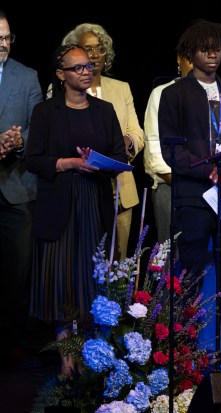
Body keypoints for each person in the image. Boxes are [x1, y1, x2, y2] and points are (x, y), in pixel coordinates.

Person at [158, 20, 221, 357]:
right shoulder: (173, 93)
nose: (212, 54)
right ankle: (187, 356)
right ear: (190, 52)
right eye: (205, 48)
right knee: (191, 277)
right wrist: (210, 169)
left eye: (217, 47)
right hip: (194, 197)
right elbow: (171, 151)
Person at [26, 44, 127, 373]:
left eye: (89, 66)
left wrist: (99, 163)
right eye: (79, 68)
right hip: (59, 203)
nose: (86, 72)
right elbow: (33, 159)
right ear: (61, 74)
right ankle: (65, 358)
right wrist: (67, 162)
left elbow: (119, 158)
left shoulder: (104, 110)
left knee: (88, 279)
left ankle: (87, 356)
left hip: (93, 202)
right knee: (60, 280)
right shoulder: (46, 112)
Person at [60, 23, 144, 260]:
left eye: (100, 49)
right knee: (81, 260)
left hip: (120, 191)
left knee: (117, 266)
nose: (95, 55)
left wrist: (127, 141)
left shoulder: (121, 88)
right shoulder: (59, 90)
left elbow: (137, 132)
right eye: (88, 49)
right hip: (78, 189)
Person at [0, 9, 43, 369]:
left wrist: (17, 141)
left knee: (16, 272)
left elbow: (37, 127)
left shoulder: (26, 76)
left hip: (16, 189)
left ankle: (13, 344)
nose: (3, 44)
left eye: (7, 37)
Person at [144, 53, 192, 244]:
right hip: (171, 184)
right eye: (190, 57)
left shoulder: (219, 93)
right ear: (179, 59)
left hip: (209, 186)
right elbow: (154, 150)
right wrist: (185, 183)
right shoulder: (161, 94)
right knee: (171, 257)